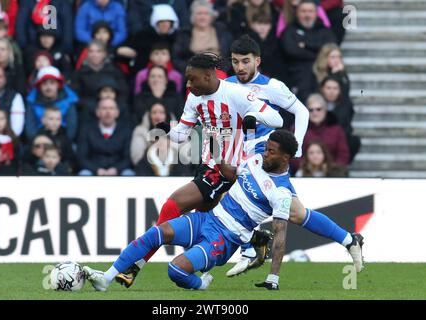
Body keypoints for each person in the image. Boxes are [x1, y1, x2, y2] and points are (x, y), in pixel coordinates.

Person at [115, 52, 286, 287]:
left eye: (192, 79)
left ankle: (135, 266)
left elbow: (277, 119)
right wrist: (166, 129)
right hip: (207, 164)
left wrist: (251, 117)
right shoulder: (195, 98)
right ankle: (252, 240)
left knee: (172, 205)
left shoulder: (234, 93)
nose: (188, 84)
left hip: (226, 169)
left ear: (208, 76)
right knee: (205, 225)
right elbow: (182, 134)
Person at [83, 130, 298, 291]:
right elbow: (231, 173)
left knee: (175, 271)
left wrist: (273, 278)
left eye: (271, 152)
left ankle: (201, 284)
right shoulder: (257, 160)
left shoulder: (282, 193)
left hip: (225, 239)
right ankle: (106, 278)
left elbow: (280, 236)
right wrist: (215, 147)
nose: (266, 154)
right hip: (207, 219)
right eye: (267, 149)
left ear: (285, 158)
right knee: (155, 233)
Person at [224, 35, 361, 276]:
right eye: (235, 62)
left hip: (266, 158)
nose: (240, 67)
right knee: (296, 212)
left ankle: (251, 248)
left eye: (245, 61)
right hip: (242, 155)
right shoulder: (227, 85)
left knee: (230, 195)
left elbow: (301, 111)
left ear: (257, 60)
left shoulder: (272, 86)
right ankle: (349, 240)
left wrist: (295, 146)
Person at [280, 0, 335, 103]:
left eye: (310, 11)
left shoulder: (325, 31)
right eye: (303, 11)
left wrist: (305, 46)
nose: (307, 15)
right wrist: (318, 52)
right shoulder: (289, 31)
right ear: (297, 13)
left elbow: (330, 50)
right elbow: (291, 51)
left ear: (316, 13)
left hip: (323, 77)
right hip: (297, 79)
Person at [172, 0, 233, 73]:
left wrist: (224, 68)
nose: (202, 17)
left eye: (206, 13)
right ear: (193, 16)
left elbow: (230, 55)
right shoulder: (184, 34)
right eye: (199, 13)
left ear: (211, 16)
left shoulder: (222, 31)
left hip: (219, 70)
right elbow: (177, 58)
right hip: (195, 72)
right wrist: (190, 70)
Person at [77, 98, 133, 176]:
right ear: (97, 112)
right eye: (104, 108)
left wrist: (116, 169)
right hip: (93, 170)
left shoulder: (126, 130)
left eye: (111, 108)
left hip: (118, 170)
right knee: (84, 174)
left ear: (117, 112)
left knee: (129, 174)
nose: (108, 112)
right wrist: (96, 169)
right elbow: (82, 156)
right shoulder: (87, 129)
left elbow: (128, 157)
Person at [25, 66, 78, 141]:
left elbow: (71, 130)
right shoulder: (32, 102)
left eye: (52, 83)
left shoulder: (69, 101)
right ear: (39, 87)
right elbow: (30, 130)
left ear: (58, 85)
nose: (48, 87)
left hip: (63, 141)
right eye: (44, 84)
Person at [122, 4, 180, 72]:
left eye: (168, 22)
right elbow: (126, 49)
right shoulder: (143, 36)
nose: (165, 24)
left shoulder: (177, 38)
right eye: (162, 21)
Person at [130, 102, 176, 167]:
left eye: (161, 112)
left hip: (174, 170)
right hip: (147, 170)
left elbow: (186, 157)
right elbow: (136, 158)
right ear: (149, 116)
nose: (157, 115)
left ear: (167, 115)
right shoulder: (140, 131)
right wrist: (153, 146)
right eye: (154, 112)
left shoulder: (177, 132)